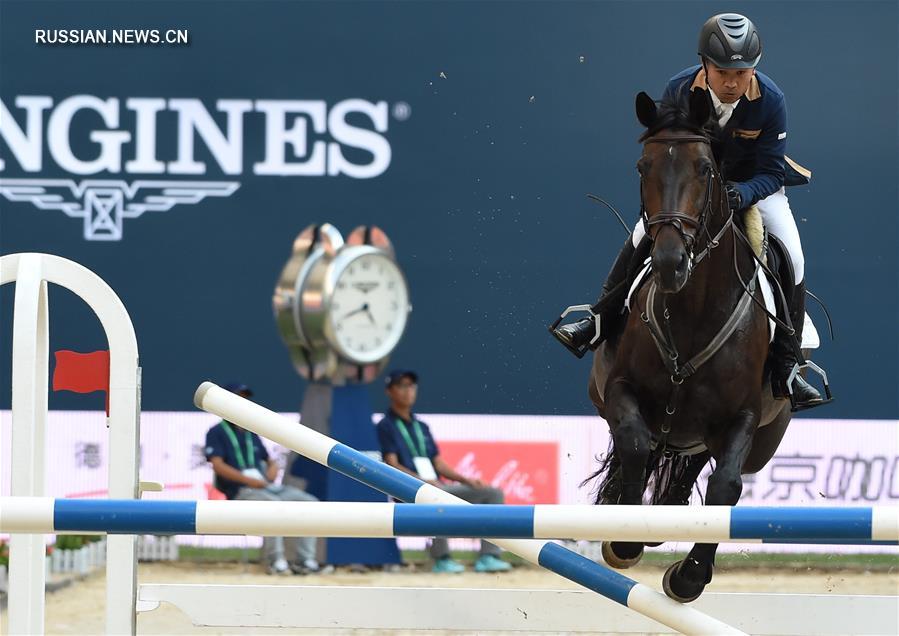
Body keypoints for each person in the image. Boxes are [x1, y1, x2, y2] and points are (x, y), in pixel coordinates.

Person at [551, 12, 826, 411]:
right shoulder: (678, 88)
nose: (732, 82)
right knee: (642, 236)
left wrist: (741, 193)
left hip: (755, 188)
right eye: (722, 72)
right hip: (693, 190)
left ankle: (786, 364)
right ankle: (597, 320)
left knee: (794, 255)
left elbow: (770, 170)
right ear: (704, 66)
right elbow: (669, 153)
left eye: (742, 72)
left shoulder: (771, 101)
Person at [375, 370, 512, 573]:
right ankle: (442, 558)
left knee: (493, 493)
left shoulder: (422, 426)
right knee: (435, 496)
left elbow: (438, 464)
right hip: (409, 490)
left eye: (411, 386)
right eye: (402, 386)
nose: (408, 391)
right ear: (389, 391)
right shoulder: (385, 426)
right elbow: (392, 464)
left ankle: (488, 556)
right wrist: (421, 482)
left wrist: (467, 480)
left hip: (435, 486)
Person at [204, 382, 325, 575]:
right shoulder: (216, 432)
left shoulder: (251, 431)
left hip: (265, 487)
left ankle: (305, 560)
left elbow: (270, 461)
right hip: (241, 491)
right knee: (273, 506)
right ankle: (275, 561)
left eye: (245, 398)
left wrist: (272, 470)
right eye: (237, 398)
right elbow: (218, 466)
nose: (242, 402)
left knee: (309, 502)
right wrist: (248, 481)